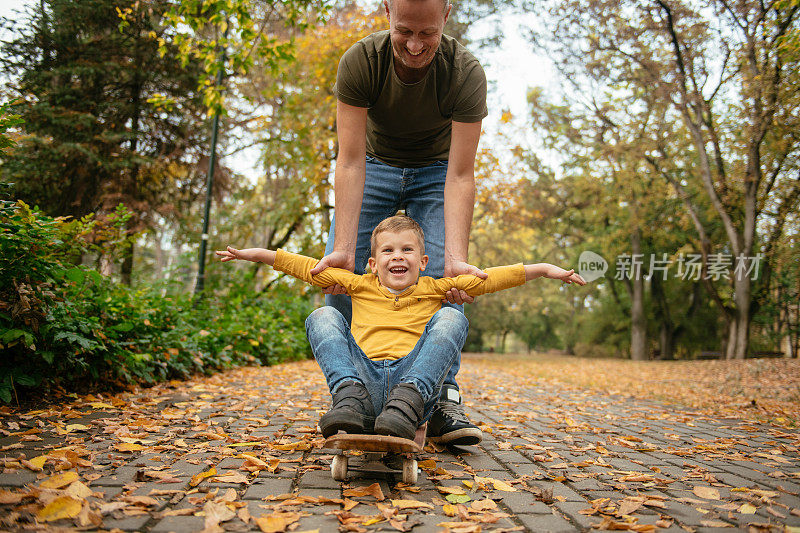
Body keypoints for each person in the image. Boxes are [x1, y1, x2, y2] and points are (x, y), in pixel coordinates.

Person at [217, 215, 586, 440]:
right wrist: (253, 254)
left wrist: (545, 269)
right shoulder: (356, 284)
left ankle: (408, 404)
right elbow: (300, 265)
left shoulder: (435, 287)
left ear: (423, 262)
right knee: (322, 316)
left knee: (453, 315)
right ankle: (347, 396)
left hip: (413, 390)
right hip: (363, 383)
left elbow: (492, 279)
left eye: (407, 250)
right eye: (389, 251)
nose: (398, 256)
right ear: (373, 264)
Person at [309, 0, 490, 445]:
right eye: (403, 31)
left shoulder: (465, 73)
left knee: (446, 281)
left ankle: (438, 396)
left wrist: (457, 257)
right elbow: (349, 161)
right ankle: (353, 396)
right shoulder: (360, 62)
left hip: (436, 169)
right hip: (372, 165)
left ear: (446, 15)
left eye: (427, 34)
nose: (414, 45)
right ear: (386, 10)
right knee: (342, 277)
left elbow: (461, 174)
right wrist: (348, 247)